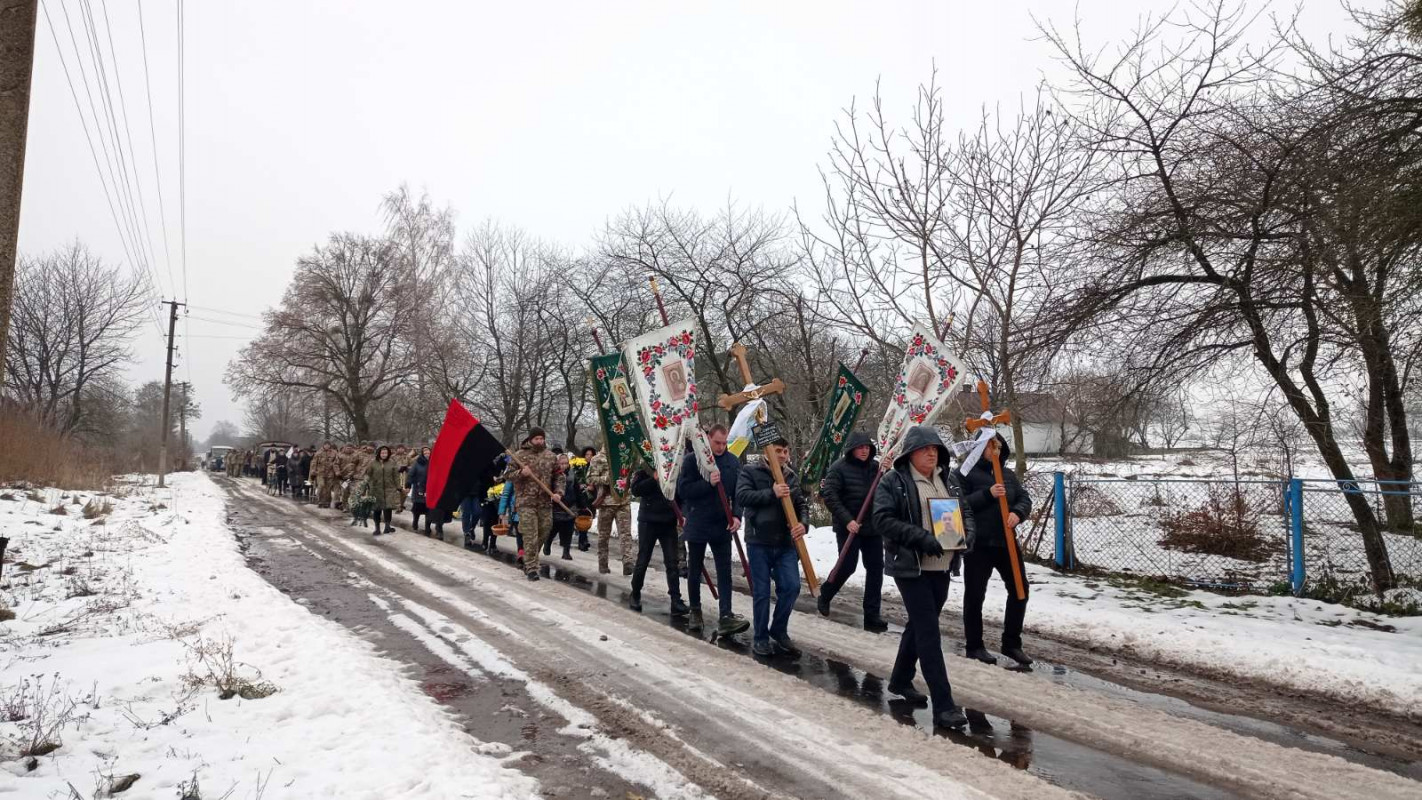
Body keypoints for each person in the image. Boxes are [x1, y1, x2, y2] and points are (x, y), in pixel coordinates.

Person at [872, 425, 973, 729]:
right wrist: (920, 538)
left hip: (942, 567)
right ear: (910, 453)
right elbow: (882, 519)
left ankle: (901, 680)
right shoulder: (895, 481)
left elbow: (964, 513)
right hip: (911, 567)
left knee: (919, 626)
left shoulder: (948, 479)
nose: (932, 453)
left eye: (936, 449)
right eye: (925, 449)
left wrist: (967, 537)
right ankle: (944, 706)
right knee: (929, 632)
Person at [958, 432, 1033, 666]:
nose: (995, 451)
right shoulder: (965, 474)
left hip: (1005, 542)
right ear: (980, 448)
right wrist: (987, 494)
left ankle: (1011, 643)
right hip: (978, 543)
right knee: (975, 595)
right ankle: (975, 646)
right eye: (991, 446)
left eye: (998, 446)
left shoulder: (1008, 475)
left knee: (1020, 589)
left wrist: (1017, 513)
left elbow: (1024, 498)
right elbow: (958, 505)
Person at [736, 437, 808, 658]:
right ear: (767, 452)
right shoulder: (751, 471)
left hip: (786, 543)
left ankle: (779, 629)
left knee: (792, 586)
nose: (783, 455)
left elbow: (801, 503)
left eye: (785, 451)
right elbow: (742, 496)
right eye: (778, 451)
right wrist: (771, 492)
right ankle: (760, 638)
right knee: (762, 592)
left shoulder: (792, 475)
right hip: (759, 541)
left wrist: (803, 524)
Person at [677, 424, 750, 636]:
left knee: (724, 572)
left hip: (722, 524)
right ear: (708, 438)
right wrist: (707, 483)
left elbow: (739, 493)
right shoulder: (693, 460)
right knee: (695, 568)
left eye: (724, 443)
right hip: (698, 521)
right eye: (717, 442)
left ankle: (725, 614)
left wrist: (737, 515)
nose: (720, 447)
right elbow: (684, 491)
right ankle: (695, 611)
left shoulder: (732, 462)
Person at [817, 431, 888, 632]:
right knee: (848, 565)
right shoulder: (839, 468)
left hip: (871, 526)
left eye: (867, 447)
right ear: (852, 449)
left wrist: (888, 470)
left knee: (875, 568)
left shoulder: (876, 469)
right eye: (861, 447)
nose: (865, 450)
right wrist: (847, 520)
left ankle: (872, 614)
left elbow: (886, 487)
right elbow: (830, 495)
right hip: (848, 526)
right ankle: (826, 592)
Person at [629, 466, 689, 616]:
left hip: (668, 521)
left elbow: (681, 493)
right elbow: (635, 490)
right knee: (643, 559)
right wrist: (653, 479)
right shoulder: (645, 468)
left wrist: (683, 514)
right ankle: (635, 593)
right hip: (648, 521)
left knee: (672, 562)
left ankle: (676, 599)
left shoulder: (675, 467)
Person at [503, 428, 557, 581]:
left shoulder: (550, 457)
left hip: (545, 502)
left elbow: (559, 476)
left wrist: (558, 492)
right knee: (530, 535)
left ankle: (528, 557)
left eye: (542, 438)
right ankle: (532, 567)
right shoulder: (520, 455)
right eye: (537, 439)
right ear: (531, 439)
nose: (539, 441)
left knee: (544, 531)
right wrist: (521, 473)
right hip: (526, 502)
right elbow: (507, 474)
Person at [586, 447, 634, 575]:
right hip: (606, 502)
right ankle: (603, 564)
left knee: (625, 534)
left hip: (623, 501)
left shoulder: (624, 456)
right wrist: (608, 478)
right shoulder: (598, 459)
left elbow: (631, 474)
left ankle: (628, 562)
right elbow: (591, 479)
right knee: (603, 536)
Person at [546, 453, 581, 561]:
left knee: (568, 530)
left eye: (566, 463)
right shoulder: (553, 474)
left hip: (570, 506)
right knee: (554, 528)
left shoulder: (572, 474)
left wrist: (582, 505)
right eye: (561, 463)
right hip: (557, 506)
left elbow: (577, 490)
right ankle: (548, 542)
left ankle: (566, 551)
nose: (564, 466)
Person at [365, 445, 402, 536]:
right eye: (382, 453)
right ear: (379, 453)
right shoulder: (373, 463)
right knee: (377, 509)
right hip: (376, 489)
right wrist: (367, 485)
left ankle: (387, 526)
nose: (384, 454)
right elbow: (367, 475)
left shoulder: (392, 463)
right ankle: (377, 528)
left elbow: (396, 476)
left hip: (389, 489)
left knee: (387, 508)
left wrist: (398, 487)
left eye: (386, 453)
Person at [408, 446, 432, 533]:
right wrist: (409, 483)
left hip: (429, 488)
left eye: (428, 452)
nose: (427, 454)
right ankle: (415, 522)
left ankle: (427, 526)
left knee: (428, 508)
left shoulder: (433, 462)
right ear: (422, 453)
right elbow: (411, 474)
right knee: (417, 508)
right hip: (418, 488)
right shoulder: (418, 462)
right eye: (425, 452)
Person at [312, 442, 338, 508]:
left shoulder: (334, 453)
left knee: (328, 488)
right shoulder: (318, 453)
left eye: (328, 445)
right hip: (320, 473)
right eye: (326, 445)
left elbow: (337, 463)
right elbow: (314, 463)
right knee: (321, 486)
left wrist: (336, 472)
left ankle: (327, 502)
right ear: (323, 445)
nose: (327, 446)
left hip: (330, 473)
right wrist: (313, 471)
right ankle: (320, 501)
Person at [337, 444, 359, 510]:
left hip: (352, 478)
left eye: (350, 448)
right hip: (343, 478)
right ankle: (344, 506)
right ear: (345, 448)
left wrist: (355, 474)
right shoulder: (340, 455)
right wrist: (338, 473)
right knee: (344, 492)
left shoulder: (356, 456)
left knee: (353, 492)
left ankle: (352, 506)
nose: (349, 449)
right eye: (347, 448)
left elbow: (359, 465)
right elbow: (336, 464)